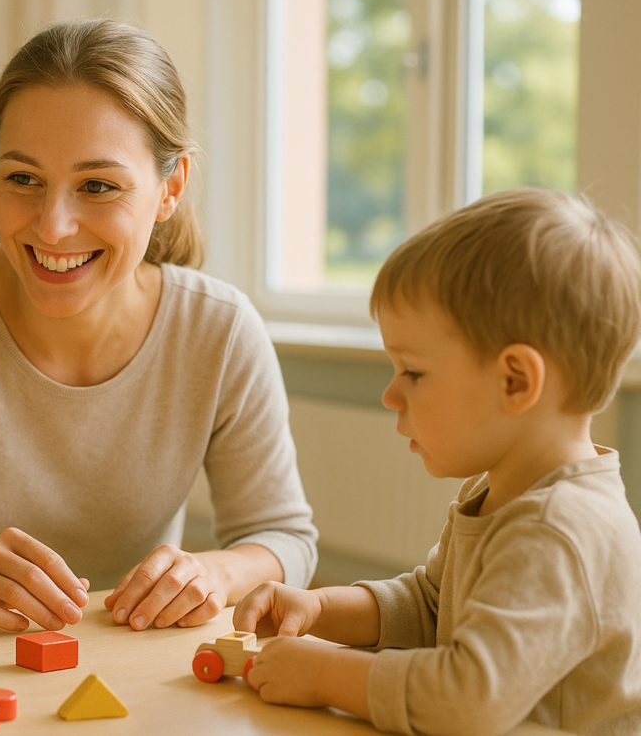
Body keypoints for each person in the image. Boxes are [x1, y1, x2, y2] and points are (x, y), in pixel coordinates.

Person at [0, 18, 318, 633]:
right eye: (23, 179)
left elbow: (285, 539)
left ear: (169, 188)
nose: (52, 228)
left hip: (138, 676)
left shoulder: (222, 330)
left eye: (97, 186)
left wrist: (216, 573)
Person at [233, 188, 641, 735]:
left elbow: (468, 699)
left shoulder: (559, 529)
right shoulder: (500, 490)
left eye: (413, 372)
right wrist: (322, 608)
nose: (390, 395)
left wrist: (328, 674)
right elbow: (432, 607)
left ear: (515, 381)